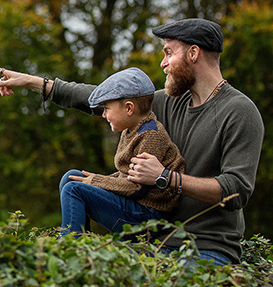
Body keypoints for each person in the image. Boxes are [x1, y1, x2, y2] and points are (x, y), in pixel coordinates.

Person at [0, 18, 264, 265]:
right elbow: (106, 99)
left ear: (193, 53)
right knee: (77, 200)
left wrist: (166, 177)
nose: (163, 63)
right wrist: (38, 83)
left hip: (205, 250)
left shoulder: (239, 111)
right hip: (153, 240)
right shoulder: (167, 102)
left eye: (169, 53)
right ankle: (70, 252)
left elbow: (236, 190)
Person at [55, 66, 185, 236]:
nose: (103, 115)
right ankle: (80, 237)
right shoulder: (131, 129)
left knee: (74, 189)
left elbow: (138, 188)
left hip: (149, 216)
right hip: (136, 204)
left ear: (129, 108)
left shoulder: (151, 136)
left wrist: (97, 182)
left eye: (107, 108)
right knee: (70, 177)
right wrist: (97, 180)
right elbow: (126, 175)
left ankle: (69, 244)